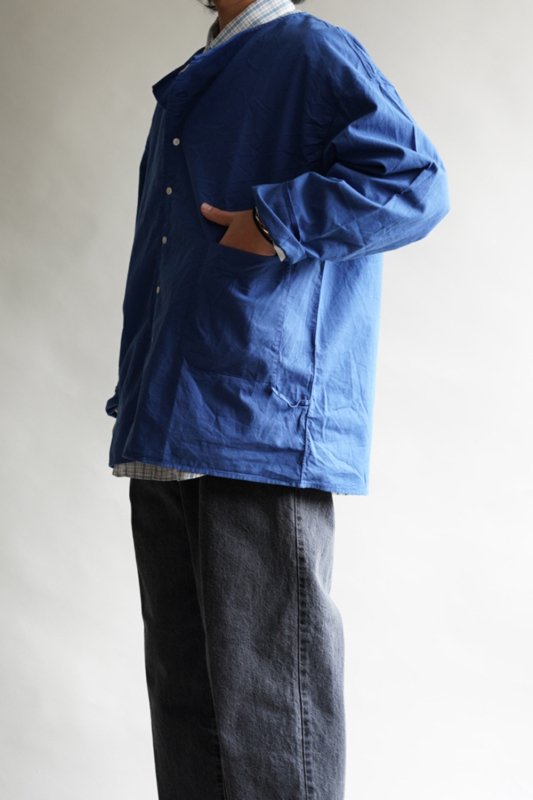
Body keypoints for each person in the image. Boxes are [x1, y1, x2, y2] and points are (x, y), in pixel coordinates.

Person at [104, 1, 449, 797]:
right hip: (168, 421)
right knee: (187, 707)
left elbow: (414, 179)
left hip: (256, 420)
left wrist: (277, 219)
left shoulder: (306, 50)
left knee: (269, 710)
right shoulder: (205, 69)